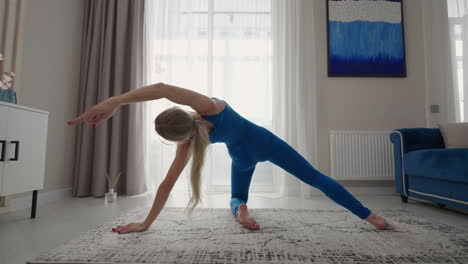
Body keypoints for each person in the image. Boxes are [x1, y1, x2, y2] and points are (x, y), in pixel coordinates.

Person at [67, 82, 389, 234]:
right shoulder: (208, 110)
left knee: (254, 191)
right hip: (259, 145)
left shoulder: (195, 132)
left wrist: (146, 223)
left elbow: (166, 184)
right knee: (309, 179)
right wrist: (116, 102)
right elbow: (165, 90)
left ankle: (241, 207)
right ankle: (369, 216)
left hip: (252, 150)